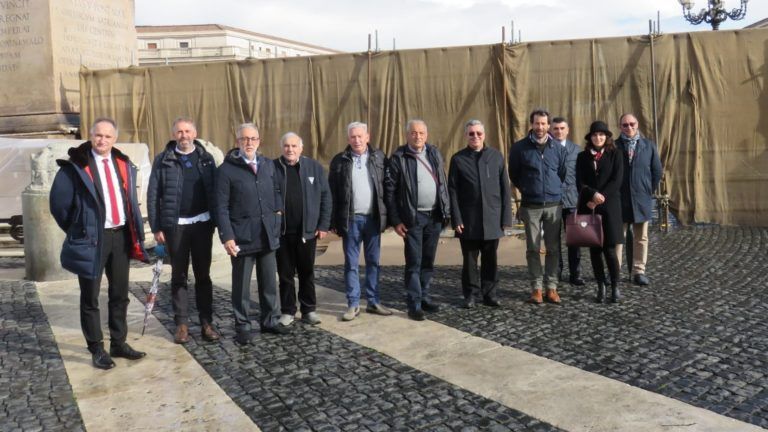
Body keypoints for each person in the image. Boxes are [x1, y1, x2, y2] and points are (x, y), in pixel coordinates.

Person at [50, 117, 149, 370]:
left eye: (107, 136)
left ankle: (119, 342)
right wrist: (78, 229)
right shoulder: (76, 167)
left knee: (119, 294)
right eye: (98, 135)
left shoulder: (122, 163)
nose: (102, 140)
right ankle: (97, 348)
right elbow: (59, 205)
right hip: (93, 240)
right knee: (90, 297)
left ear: (114, 139)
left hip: (120, 237)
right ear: (90, 136)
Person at [215, 122, 289, 345]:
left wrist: (277, 212)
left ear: (259, 141)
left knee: (268, 283)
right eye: (244, 139)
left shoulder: (267, 165)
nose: (249, 143)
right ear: (237, 142)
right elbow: (221, 206)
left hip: (267, 234)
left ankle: (270, 320)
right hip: (242, 237)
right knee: (242, 287)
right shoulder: (226, 170)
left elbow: (276, 190)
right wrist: (227, 236)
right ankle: (243, 325)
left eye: (253, 139)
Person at [147, 117, 219, 345]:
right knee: (179, 276)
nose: (184, 135)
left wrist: (218, 221)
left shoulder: (206, 159)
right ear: (174, 134)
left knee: (203, 275)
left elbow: (216, 192)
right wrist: (156, 226)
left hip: (202, 224)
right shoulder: (164, 160)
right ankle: (182, 324)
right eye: (179, 132)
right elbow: (152, 194)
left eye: (188, 131)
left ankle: (206, 322)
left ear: (195, 133)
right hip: (175, 226)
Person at [386, 119, 451, 321]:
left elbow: (442, 183)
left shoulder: (433, 153)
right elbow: (390, 192)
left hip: (434, 216)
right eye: (414, 133)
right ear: (407, 135)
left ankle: (424, 295)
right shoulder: (399, 158)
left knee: (428, 260)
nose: (418, 136)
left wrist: (446, 210)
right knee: (414, 261)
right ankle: (413, 302)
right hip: (413, 218)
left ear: (427, 135)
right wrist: (396, 220)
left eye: (421, 133)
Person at [328, 122, 391, 321]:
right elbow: (332, 192)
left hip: (372, 219)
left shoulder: (379, 158)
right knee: (352, 264)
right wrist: (333, 221)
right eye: (353, 137)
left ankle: (373, 301)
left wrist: (388, 217)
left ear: (367, 137)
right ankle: (353, 304)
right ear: (348, 139)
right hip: (351, 220)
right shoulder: (339, 161)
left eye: (360, 136)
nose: (356, 140)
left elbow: (386, 189)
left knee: (373, 262)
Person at [448, 120, 512, 308]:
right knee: (469, 262)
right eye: (471, 134)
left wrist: (506, 218)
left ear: (484, 135)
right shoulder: (458, 159)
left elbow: (505, 189)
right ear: (466, 136)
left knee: (490, 260)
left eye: (478, 133)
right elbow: (452, 191)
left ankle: (490, 294)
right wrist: (456, 219)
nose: (475, 136)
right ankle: (470, 295)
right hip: (468, 221)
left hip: (492, 218)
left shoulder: (496, 157)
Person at [508, 109, 567, 305]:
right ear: (531, 124)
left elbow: (562, 172)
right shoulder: (519, 148)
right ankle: (536, 289)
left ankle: (551, 287)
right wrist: (527, 188)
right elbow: (514, 174)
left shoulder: (557, 148)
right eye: (537, 123)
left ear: (548, 125)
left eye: (543, 124)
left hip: (553, 204)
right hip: (531, 205)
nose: (540, 127)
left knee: (553, 248)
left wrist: (553, 188)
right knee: (533, 248)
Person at [273, 132, 332, 326]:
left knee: (307, 272)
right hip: (282, 233)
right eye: (286, 146)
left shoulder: (313, 167)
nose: (290, 149)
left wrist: (323, 225)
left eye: (294, 146)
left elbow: (325, 197)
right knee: (285, 274)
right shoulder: (273, 168)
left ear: (301, 148)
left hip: (308, 232)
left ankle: (309, 310)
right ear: (282, 148)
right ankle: (288, 310)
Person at [575, 121, 625, 303]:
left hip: (609, 207)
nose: (598, 138)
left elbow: (617, 179)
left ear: (607, 137)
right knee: (595, 250)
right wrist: (592, 195)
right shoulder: (582, 157)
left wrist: (602, 196)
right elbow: (580, 182)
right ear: (590, 138)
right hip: (590, 207)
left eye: (602, 135)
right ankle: (601, 285)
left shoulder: (616, 154)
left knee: (610, 250)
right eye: (595, 135)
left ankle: (615, 286)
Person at [615, 113, 663, 286]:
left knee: (641, 237)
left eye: (632, 124)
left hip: (641, 199)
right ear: (620, 126)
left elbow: (657, 171)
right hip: (620, 199)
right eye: (625, 125)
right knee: (617, 237)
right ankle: (615, 271)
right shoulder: (613, 146)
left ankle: (638, 271)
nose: (629, 127)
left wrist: (646, 190)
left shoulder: (648, 146)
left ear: (637, 124)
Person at [551, 117, 585, 286]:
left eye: (562, 128)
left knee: (574, 240)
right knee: (553, 240)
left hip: (572, 201)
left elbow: (582, 177)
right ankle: (556, 271)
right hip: (553, 201)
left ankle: (576, 272)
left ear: (568, 129)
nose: (559, 131)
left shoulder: (577, 151)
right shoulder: (546, 149)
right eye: (556, 128)